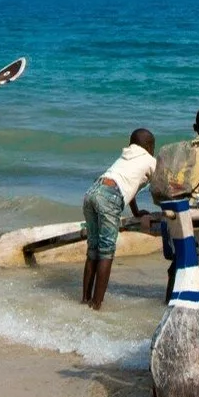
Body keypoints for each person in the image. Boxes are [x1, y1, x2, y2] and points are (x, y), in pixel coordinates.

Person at [82, 128, 156, 310]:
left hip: (93, 191)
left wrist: (136, 212)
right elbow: (161, 184)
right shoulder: (149, 160)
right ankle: (97, 304)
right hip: (109, 196)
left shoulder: (124, 157)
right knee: (106, 252)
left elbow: (127, 187)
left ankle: (85, 299)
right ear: (148, 146)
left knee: (93, 249)